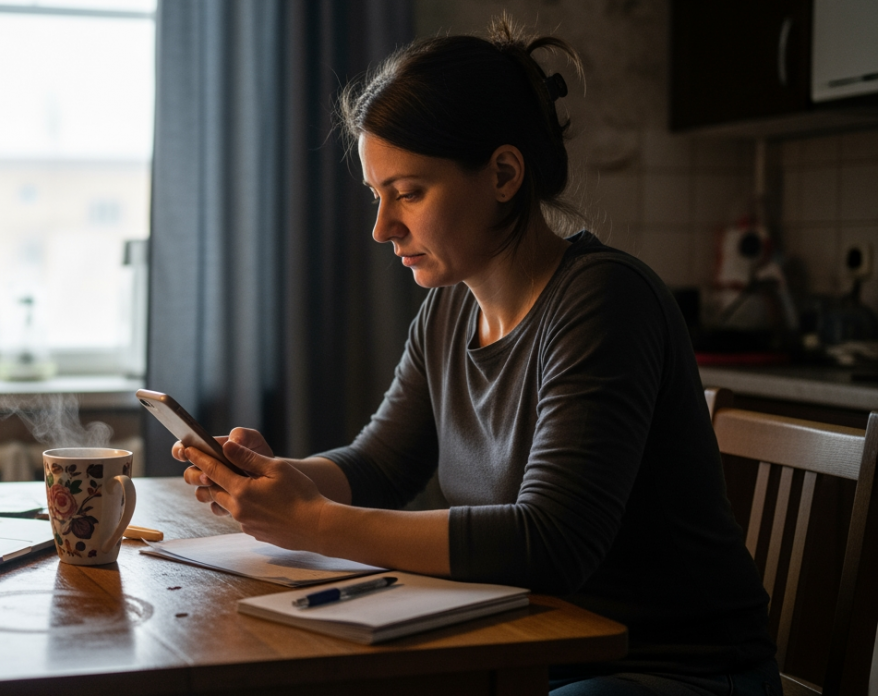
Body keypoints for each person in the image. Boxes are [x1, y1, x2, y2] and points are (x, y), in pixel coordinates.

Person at [172, 17, 781, 696]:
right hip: (527, 652)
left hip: (668, 671)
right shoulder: (449, 307)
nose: (383, 227)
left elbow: (550, 543)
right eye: (378, 196)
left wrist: (317, 523)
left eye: (408, 192)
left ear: (502, 173)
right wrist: (278, 480)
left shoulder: (605, 299)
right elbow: (380, 464)